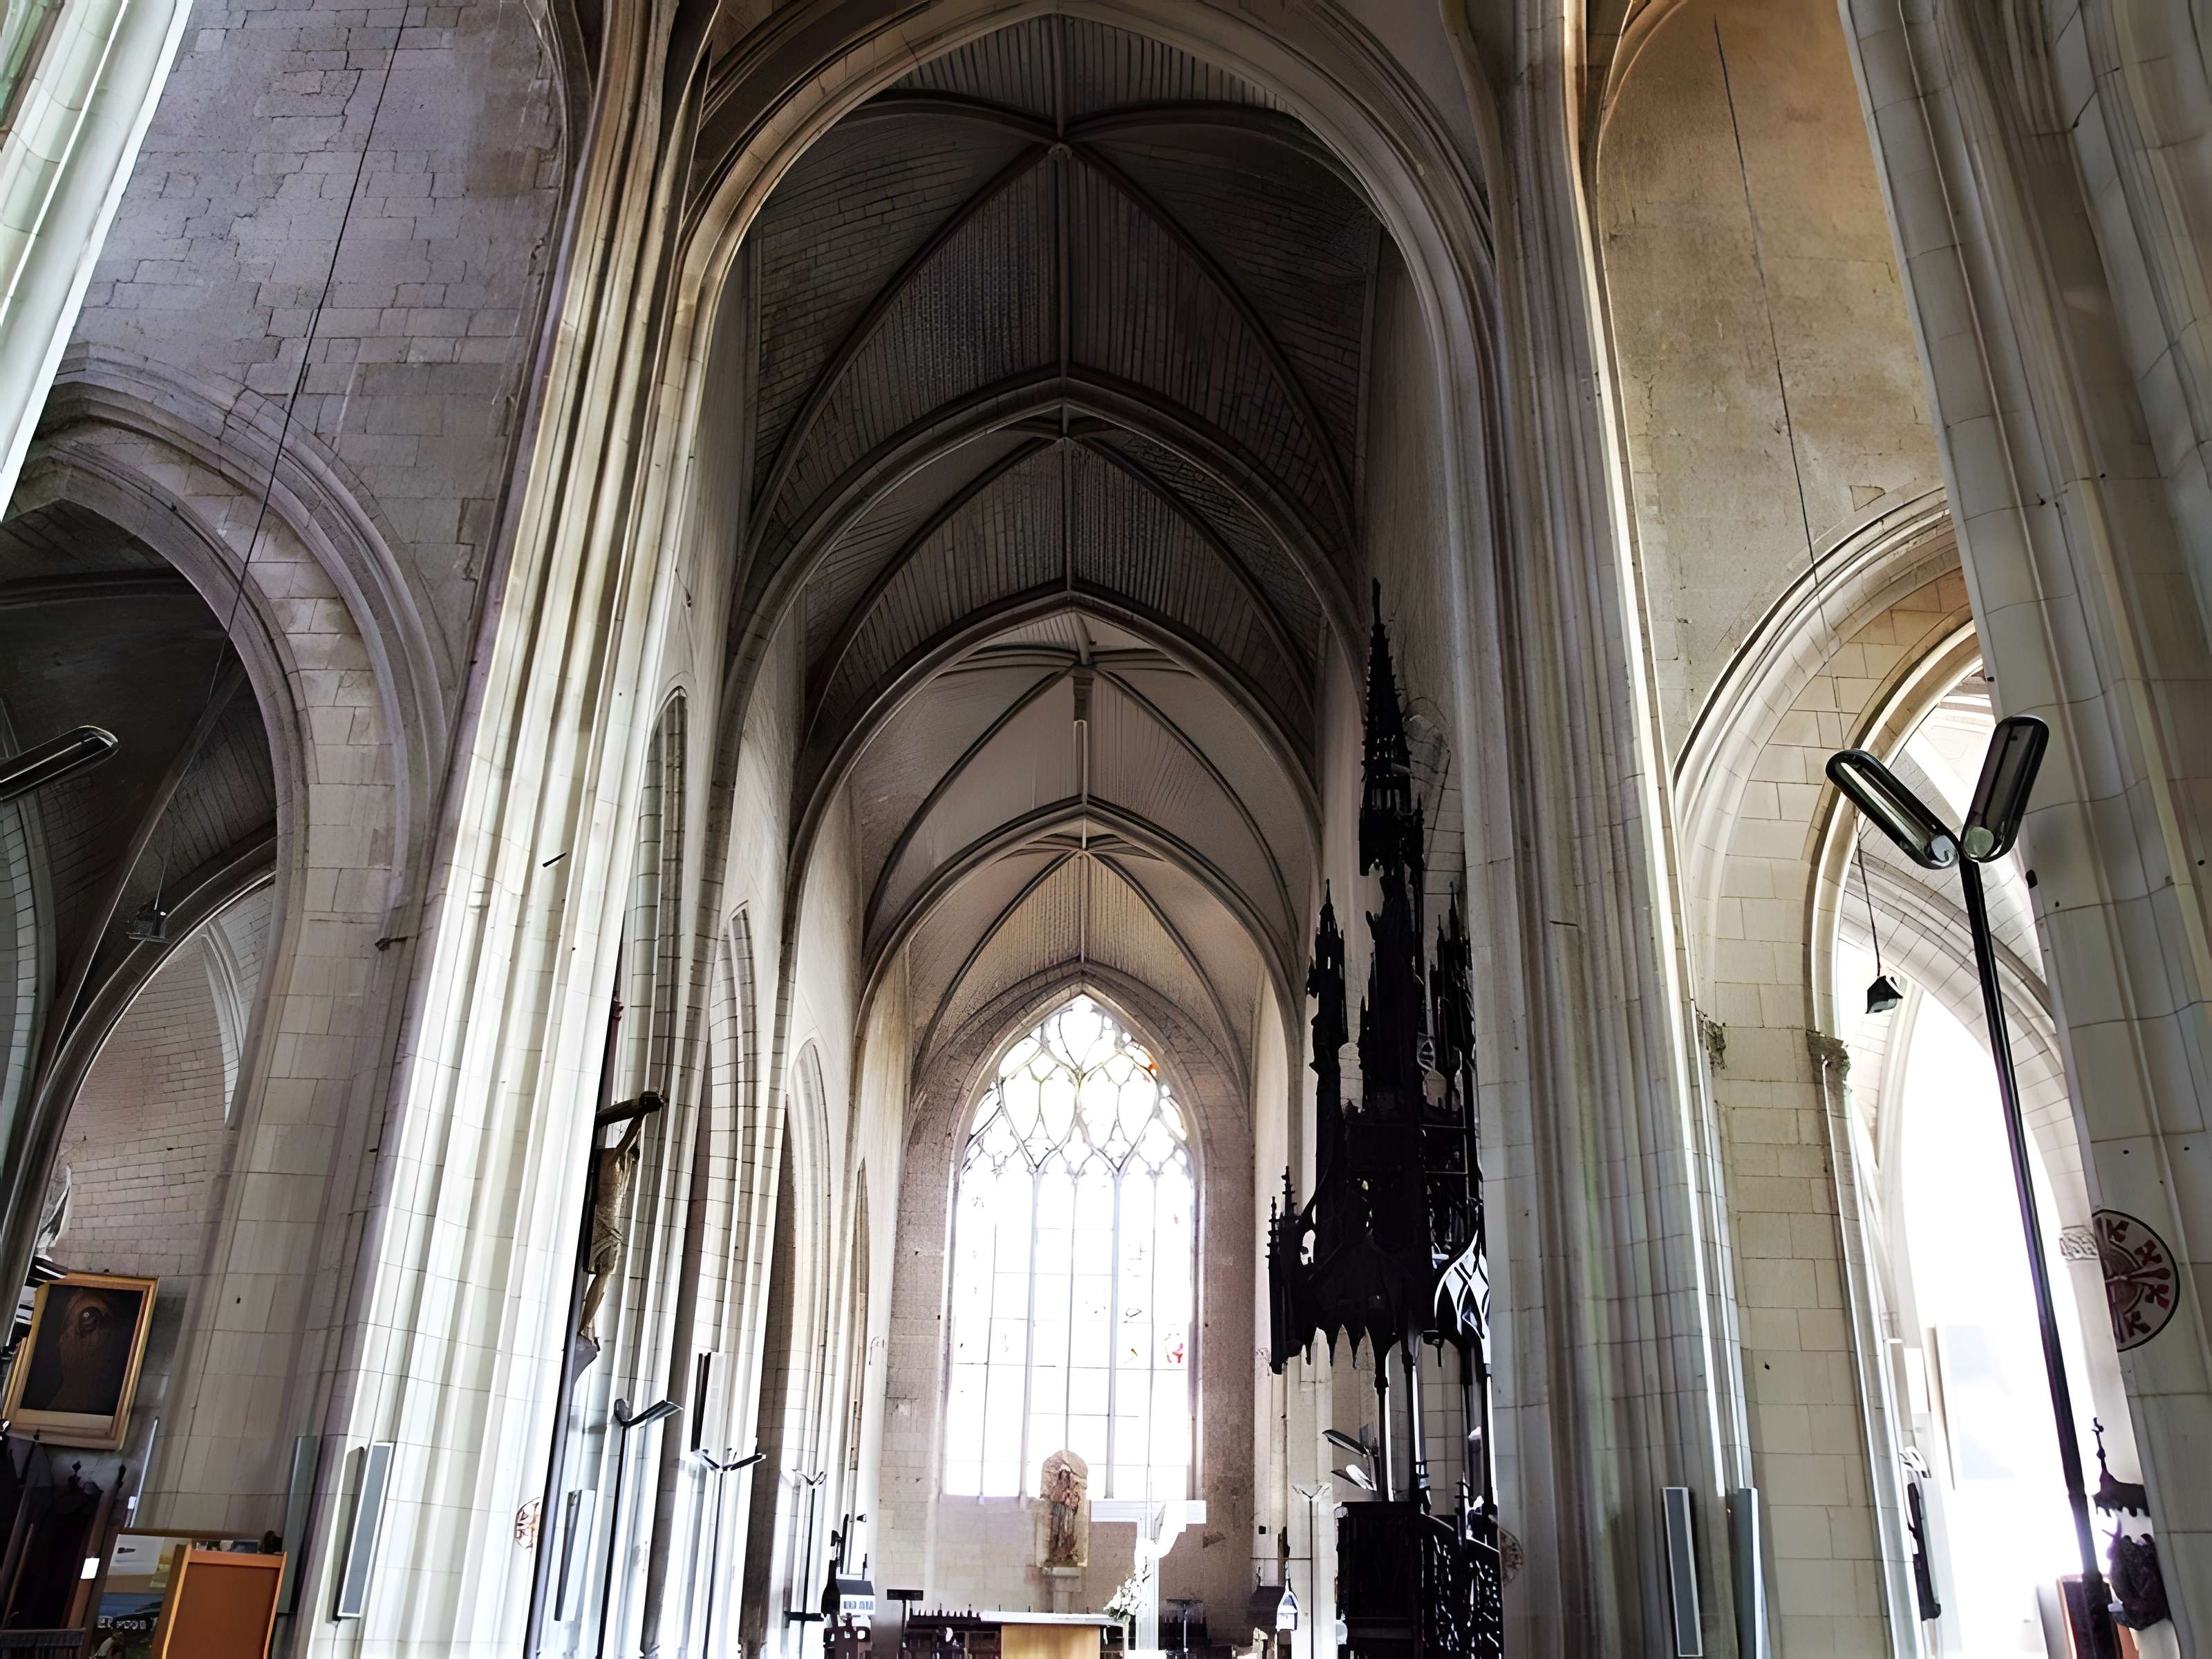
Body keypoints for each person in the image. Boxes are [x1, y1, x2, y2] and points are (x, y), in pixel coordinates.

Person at [577, 1094, 660, 1346]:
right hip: (604, 1224)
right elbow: (628, 1139)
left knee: (606, 1274)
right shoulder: (613, 1161)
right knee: (606, 1273)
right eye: (633, 1153)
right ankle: (584, 1325)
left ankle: (587, 1324)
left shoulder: (624, 1169)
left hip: (609, 1227)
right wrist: (641, 1115)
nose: (634, 1158)